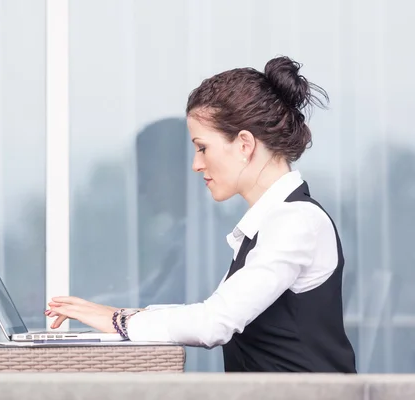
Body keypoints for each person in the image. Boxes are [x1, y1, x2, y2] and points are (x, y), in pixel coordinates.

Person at [45, 56, 357, 373]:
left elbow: (214, 323)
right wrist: (117, 315)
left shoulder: (296, 222)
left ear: (245, 144)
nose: (195, 164)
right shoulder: (271, 223)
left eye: (202, 148)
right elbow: (212, 313)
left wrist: (116, 319)